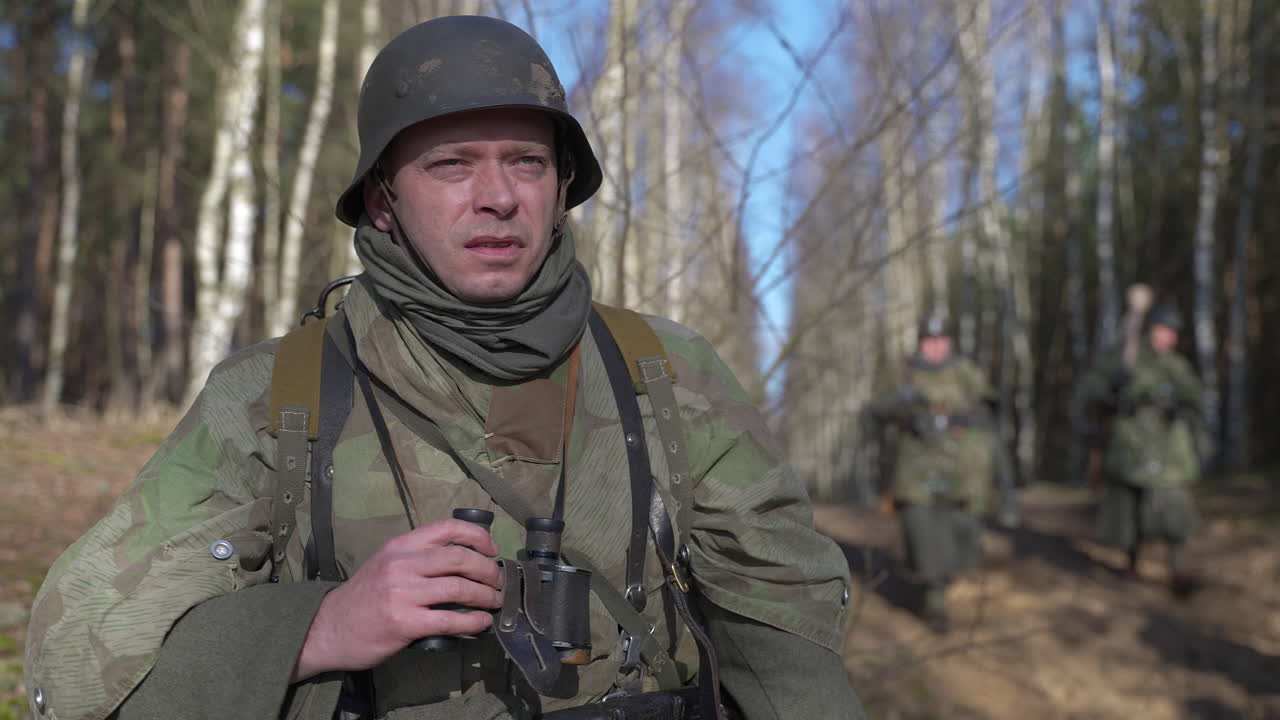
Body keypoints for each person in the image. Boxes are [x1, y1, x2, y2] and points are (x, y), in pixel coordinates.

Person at [23, 15, 862, 720]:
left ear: (559, 185)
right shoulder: (274, 399)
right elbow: (76, 659)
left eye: (526, 162)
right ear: (384, 200)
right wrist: (320, 625)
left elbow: (785, 628)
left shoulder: (667, 374)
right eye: (451, 164)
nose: (498, 196)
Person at [867, 311, 1002, 633]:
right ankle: (935, 598)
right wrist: (906, 412)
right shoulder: (903, 374)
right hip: (916, 472)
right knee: (924, 533)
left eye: (941, 340)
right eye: (930, 340)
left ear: (950, 342)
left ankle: (940, 582)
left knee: (960, 535)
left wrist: (963, 420)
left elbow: (990, 408)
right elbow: (876, 411)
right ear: (920, 344)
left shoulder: (966, 373)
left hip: (960, 472)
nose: (936, 347)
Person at [1080, 304, 1205, 597]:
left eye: (1173, 333)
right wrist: (1112, 389)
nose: (1168, 338)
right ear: (1151, 330)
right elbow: (1091, 387)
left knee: (1175, 510)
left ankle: (1178, 572)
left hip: (1168, 449)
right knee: (1130, 511)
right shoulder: (1125, 358)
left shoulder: (1177, 366)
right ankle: (1131, 565)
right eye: (1164, 331)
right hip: (1130, 447)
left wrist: (1180, 404)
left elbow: (1195, 396)